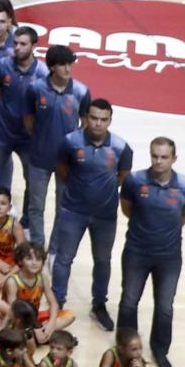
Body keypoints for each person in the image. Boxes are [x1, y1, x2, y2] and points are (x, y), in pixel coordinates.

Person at [118, 137, 185, 367]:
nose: (158, 161)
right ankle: (125, 349)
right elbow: (127, 209)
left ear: (174, 159)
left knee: (164, 307)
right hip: (136, 252)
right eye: (155, 156)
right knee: (130, 302)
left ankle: (160, 351)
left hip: (169, 257)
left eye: (164, 157)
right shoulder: (134, 181)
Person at [52, 98, 129, 329]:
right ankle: (58, 304)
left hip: (105, 215)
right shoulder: (70, 141)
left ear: (110, 121)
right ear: (86, 118)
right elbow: (62, 170)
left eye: (103, 120)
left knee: (103, 261)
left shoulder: (121, 147)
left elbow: (123, 174)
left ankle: (99, 305)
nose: (97, 124)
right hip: (72, 211)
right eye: (93, 118)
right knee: (64, 259)